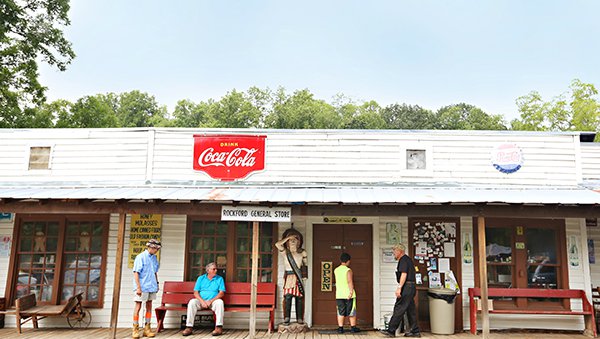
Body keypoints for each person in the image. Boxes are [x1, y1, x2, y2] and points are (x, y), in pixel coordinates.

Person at [380, 243, 421, 338]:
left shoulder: (403, 260)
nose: (393, 253)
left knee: (399, 308)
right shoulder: (408, 260)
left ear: (400, 251)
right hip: (411, 287)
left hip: (406, 287)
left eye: (395, 250)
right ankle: (415, 331)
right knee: (410, 310)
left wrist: (399, 287)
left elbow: (404, 274)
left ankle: (391, 331)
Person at [182, 262, 226, 336]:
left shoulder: (219, 279)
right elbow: (196, 293)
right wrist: (202, 301)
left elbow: (221, 293)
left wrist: (211, 301)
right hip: (201, 301)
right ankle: (189, 327)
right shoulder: (201, 278)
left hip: (213, 302)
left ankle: (218, 327)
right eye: (214, 269)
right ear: (208, 270)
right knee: (192, 302)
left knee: (220, 302)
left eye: (216, 269)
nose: (216, 270)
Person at [275, 228, 308, 325]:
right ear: (287, 242)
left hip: (298, 277)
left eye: (295, 239)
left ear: (299, 242)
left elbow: (305, 265)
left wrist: (305, 276)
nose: (293, 241)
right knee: (288, 297)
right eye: (290, 240)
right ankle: (287, 318)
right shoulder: (285, 252)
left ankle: (299, 318)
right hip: (289, 277)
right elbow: (277, 244)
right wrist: (288, 237)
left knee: (299, 298)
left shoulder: (302, 253)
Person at [132, 239, 161, 339]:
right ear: (151, 247)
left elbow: (154, 272)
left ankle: (147, 328)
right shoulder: (140, 257)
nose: (156, 250)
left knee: (149, 306)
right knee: (138, 306)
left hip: (151, 286)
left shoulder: (154, 258)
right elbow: (136, 272)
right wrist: (138, 288)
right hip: (142, 286)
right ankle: (135, 329)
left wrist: (157, 283)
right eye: (156, 248)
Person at [334, 252, 360, 333]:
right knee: (351, 311)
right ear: (348, 261)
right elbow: (349, 281)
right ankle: (353, 328)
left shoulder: (336, 270)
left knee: (340, 311)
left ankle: (340, 328)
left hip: (339, 294)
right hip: (348, 294)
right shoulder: (348, 270)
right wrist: (351, 291)